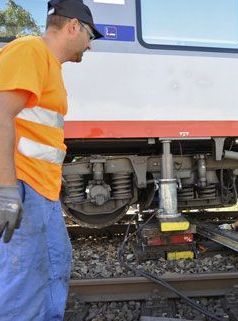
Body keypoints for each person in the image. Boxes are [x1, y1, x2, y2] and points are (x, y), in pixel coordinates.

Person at [0, 1, 102, 320]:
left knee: (53, 263)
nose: (89, 44)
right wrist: (6, 189)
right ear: (73, 26)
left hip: (37, 188)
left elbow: (32, 128)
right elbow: (1, 116)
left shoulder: (46, 63)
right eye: (90, 35)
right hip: (23, 186)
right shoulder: (30, 51)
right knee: (28, 279)